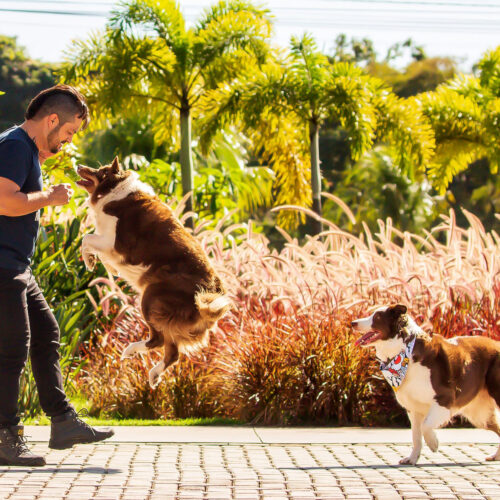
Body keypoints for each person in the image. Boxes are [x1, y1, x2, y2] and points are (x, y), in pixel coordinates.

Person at [0, 85, 113, 466]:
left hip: (17, 265)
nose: (69, 140)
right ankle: (5, 437)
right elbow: (3, 199)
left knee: (46, 333)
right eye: (69, 131)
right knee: (12, 350)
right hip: (2, 265)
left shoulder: (24, 148)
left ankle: (63, 422)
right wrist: (49, 196)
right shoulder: (16, 146)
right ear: (51, 120)